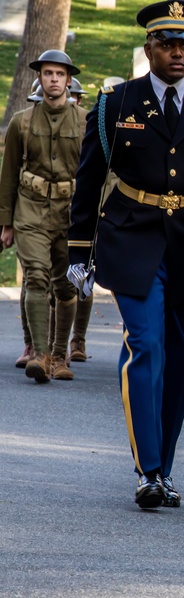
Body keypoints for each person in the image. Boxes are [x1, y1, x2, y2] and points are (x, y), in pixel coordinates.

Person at [67, 0, 184, 509]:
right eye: (167, 44)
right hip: (132, 235)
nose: (178, 53)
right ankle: (148, 470)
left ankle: (165, 468)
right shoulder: (116, 104)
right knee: (146, 345)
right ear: (148, 48)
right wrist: (79, 251)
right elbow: (89, 180)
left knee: (180, 363)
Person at [0, 50, 85, 382]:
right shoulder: (22, 121)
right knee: (36, 276)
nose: (53, 79)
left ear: (67, 80)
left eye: (59, 74)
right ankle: (40, 353)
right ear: (39, 78)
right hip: (31, 209)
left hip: (70, 212)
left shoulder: (85, 121)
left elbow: (96, 174)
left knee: (65, 286)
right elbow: (7, 176)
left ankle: (61, 355)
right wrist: (6, 223)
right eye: (47, 73)